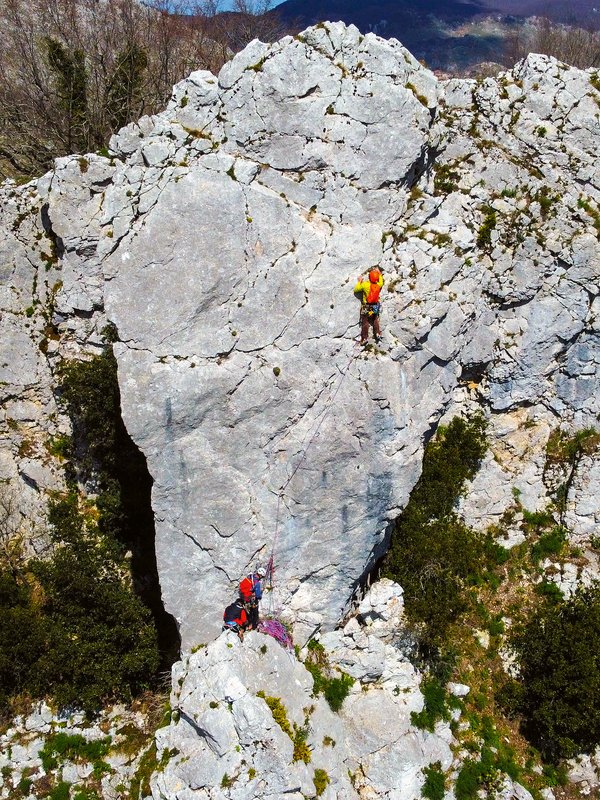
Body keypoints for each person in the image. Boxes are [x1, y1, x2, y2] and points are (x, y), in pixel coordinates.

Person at [354, 268, 384, 344]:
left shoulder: (365, 285)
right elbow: (381, 282)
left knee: (365, 321)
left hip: (366, 306)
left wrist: (359, 281)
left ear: (369, 277)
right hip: (375, 306)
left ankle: (364, 338)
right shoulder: (378, 285)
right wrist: (379, 274)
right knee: (375, 319)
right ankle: (377, 333)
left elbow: (356, 290)